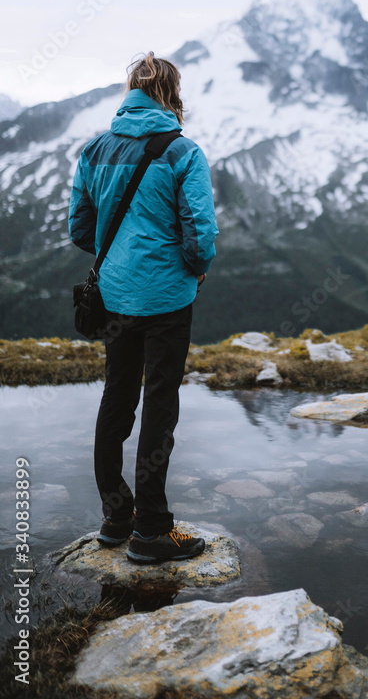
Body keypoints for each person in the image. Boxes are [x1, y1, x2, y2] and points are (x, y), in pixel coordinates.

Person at [68, 52, 218, 563]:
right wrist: (194, 268)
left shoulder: (93, 150)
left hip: (115, 296)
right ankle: (152, 530)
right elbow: (201, 233)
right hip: (168, 299)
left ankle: (116, 518)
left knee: (116, 398)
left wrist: (120, 260)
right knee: (159, 404)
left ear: (131, 91)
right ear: (172, 95)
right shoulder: (182, 152)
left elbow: (79, 229)